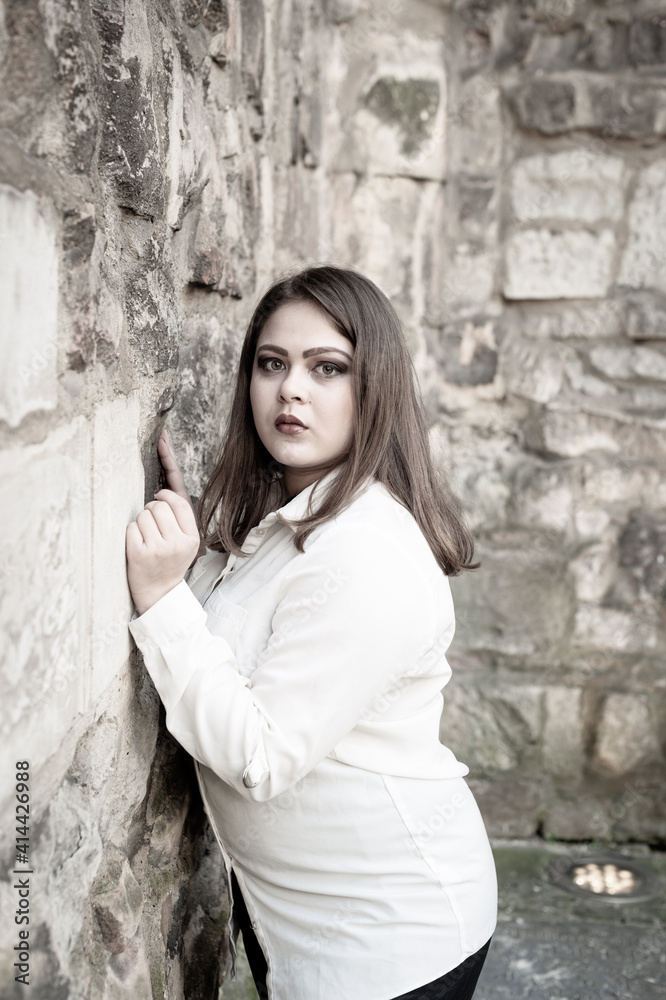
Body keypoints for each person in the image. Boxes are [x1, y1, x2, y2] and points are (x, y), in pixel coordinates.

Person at [126, 264, 497, 1000]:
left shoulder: (367, 553)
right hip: (305, 932)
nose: (290, 389)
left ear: (374, 388)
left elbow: (260, 756)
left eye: (327, 368)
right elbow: (237, 643)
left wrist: (163, 595)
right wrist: (190, 553)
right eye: (272, 364)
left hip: (391, 942)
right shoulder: (292, 520)